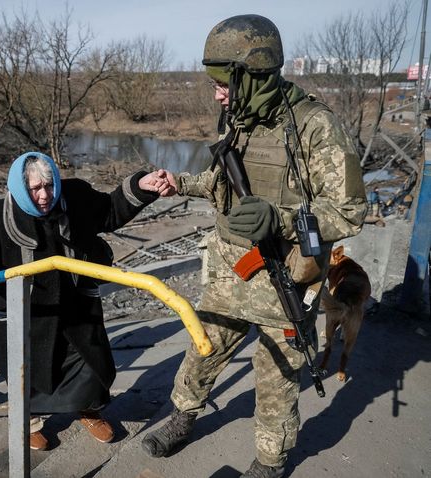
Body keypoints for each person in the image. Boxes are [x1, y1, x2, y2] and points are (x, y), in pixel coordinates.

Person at [140, 15, 367, 478]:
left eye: (223, 83)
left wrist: (281, 220)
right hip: (230, 269)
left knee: (277, 375)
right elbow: (224, 183)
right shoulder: (240, 120)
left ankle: (269, 461)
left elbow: (349, 210)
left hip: (284, 278)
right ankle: (183, 416)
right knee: (204, 347)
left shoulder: (316, 127)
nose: (217, 93)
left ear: (255, 74)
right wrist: (179, 183)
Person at [0, 152, 170, 451]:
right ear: (20, 188)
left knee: (89, 363)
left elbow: (109, 212)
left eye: (49, 185)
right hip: (26, 313)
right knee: (27, 370)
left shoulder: (75, 194)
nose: (45, 195)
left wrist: (142, 185)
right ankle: (29, 421)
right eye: (35, 189)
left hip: (75, 304)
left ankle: (88, 409)